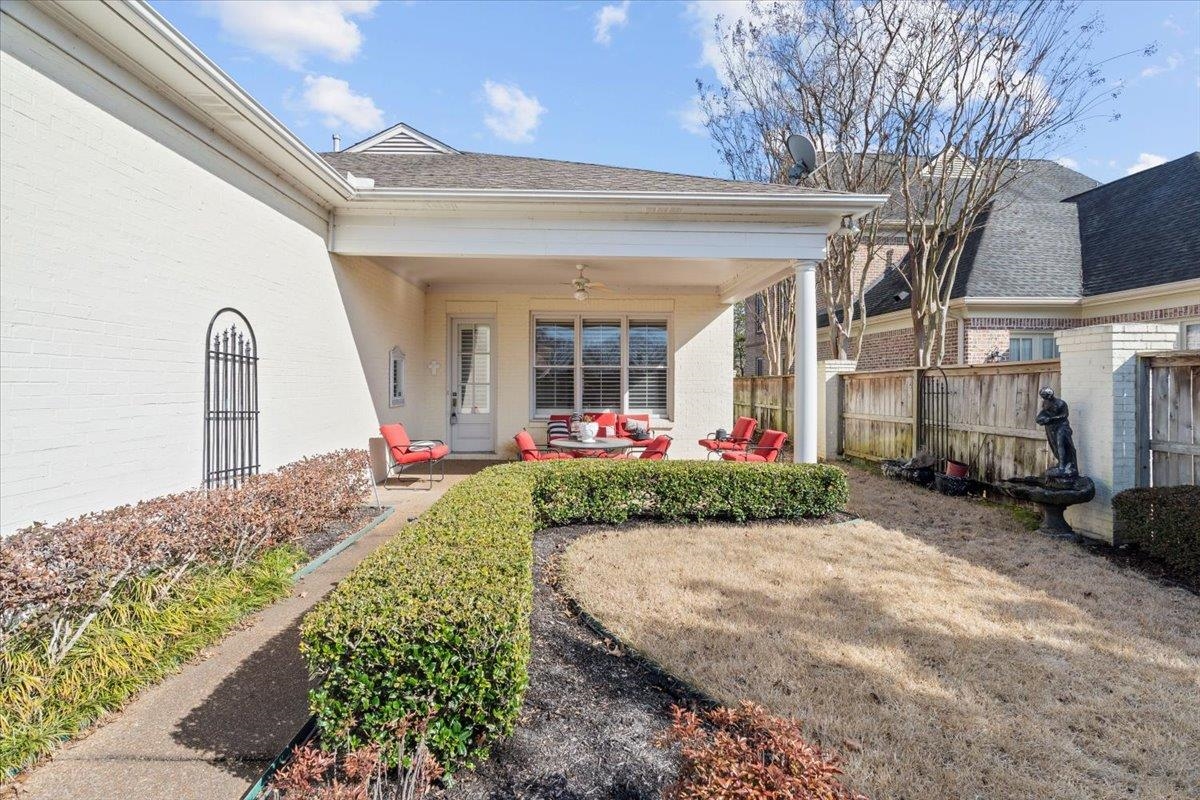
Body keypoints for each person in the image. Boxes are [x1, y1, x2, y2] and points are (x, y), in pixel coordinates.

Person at [1035, 387, 1077, 478]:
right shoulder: (1045, 402)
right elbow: (1044, 412)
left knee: (1060, 443)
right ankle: (1061, 462)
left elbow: (1064, 415)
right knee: (1054, 445)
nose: (1044, 399)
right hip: (1051, 427)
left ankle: (1063, 466)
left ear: (1050, 395)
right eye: (1043, 397)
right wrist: (1039, 418)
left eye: (1045, 396)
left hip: (1062, 426)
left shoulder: (1061, 403)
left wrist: (1051, 418)